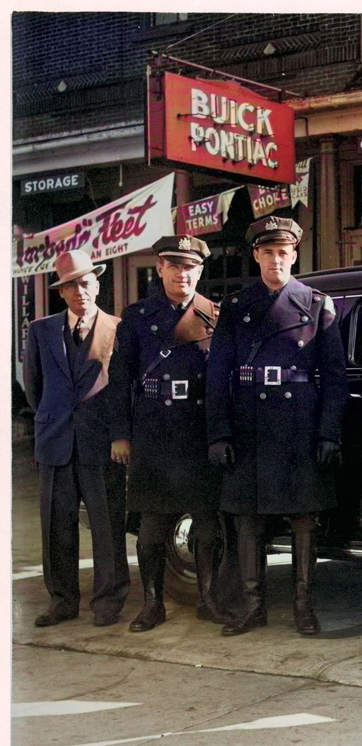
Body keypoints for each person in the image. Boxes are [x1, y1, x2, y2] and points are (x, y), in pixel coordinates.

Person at [205, 216, 346, 637]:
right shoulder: (235, 307)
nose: (276, 261)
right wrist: (219, 432)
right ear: (256, 256)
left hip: (298, 422)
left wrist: (327, 433)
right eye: (267, 253)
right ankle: (254, 608)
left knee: (304, 518)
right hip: (250, 423)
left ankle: (304, 608)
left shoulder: (317, 304)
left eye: (283, 253)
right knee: (248, 519)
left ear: (294, 255)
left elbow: (334, 376)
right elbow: (217, 374)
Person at [108, 235, 228, 631]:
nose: (182, 273)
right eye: (173, 265)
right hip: (153, 433)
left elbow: (223, 379)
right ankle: (153, 604)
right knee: (152, 527)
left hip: (197, 432)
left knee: (207, 523)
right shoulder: (138, 317)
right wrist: (121, 435)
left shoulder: (214, 314)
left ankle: (209, 600)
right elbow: (119, 379)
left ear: (200, 270)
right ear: (160, 269)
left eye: (190, 266)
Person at [23, 249, 130, 627]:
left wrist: (121, 435)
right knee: (56, 528)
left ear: (97, 284)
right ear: (61, 292)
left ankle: (108, 602)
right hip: (55, 443)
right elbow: (33, 389)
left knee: (107, 526)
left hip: (102, 444)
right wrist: (52, 422)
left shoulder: (118, 328)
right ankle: (63, 602)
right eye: (70, 285)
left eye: (85, 282)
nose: (79, 291)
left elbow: (122, 390)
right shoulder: (40, 331)